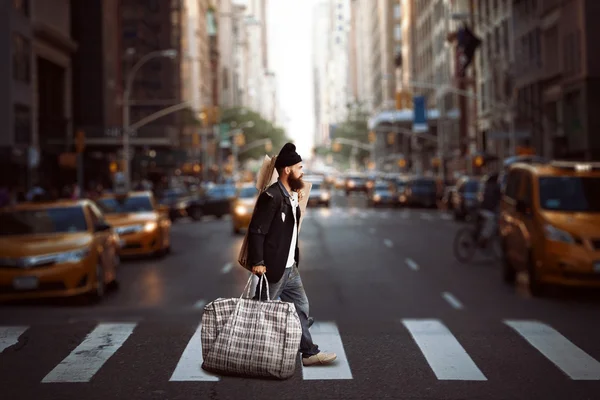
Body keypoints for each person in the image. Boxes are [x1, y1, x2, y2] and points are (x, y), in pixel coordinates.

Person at [246, 142, 337, 367]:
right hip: (274, 267)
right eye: (299, 167)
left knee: (301, 307)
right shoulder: (272, 196)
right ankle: (246, 347)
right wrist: (258, 261)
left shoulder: (291, 195)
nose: (302, 171)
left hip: (290, 268)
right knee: (260, 312)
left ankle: (307, 352)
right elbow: (257, 230)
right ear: (287, 170)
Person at [478, 173, 501, 244]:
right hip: (488, 209)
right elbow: (500, 198)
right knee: (491, 223)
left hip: (483, 208)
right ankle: (483, 238)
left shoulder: (487, 186)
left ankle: (482, 236)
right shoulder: (495, 187)